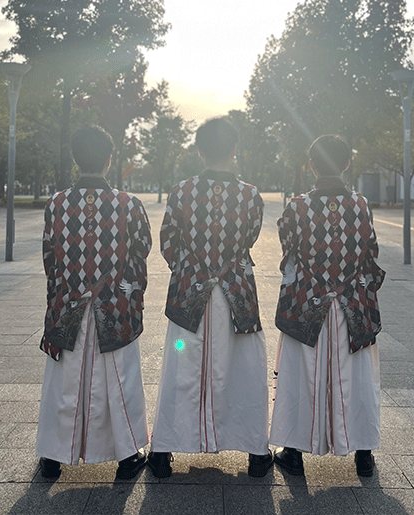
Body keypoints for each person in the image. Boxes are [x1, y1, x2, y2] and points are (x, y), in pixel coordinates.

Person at [148, 117, 273, 478]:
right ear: (234, 150)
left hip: (190, 291)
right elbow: (250, 238)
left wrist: (194, 269)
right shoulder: (250, 195)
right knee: (244, 367)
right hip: (238, 291)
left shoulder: (181, 192)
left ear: (199, 150)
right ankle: (255, 450)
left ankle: (164, 448)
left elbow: (168, 242)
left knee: (181, 366)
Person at [36, 126, 152, 480]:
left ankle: (53, 456)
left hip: (67, 303)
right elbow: (141, 252)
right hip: (114, 305)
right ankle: (126, 455)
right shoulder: (128, 204)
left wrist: (65, 289)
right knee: (118, 377)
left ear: (76, 159)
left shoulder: (56, 203)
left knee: (64, 378)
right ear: (109, 160)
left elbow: (49, 258)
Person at [270, 135, 385, 477]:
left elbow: (289, 252)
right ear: (347, 164)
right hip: (353, 303)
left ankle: (294, 451)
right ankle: (363, 453)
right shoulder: (361, 205)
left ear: (311, 166)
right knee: (358, 377)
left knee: (301, 374)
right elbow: (371, 252)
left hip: (309, 301)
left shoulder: (297, 207)